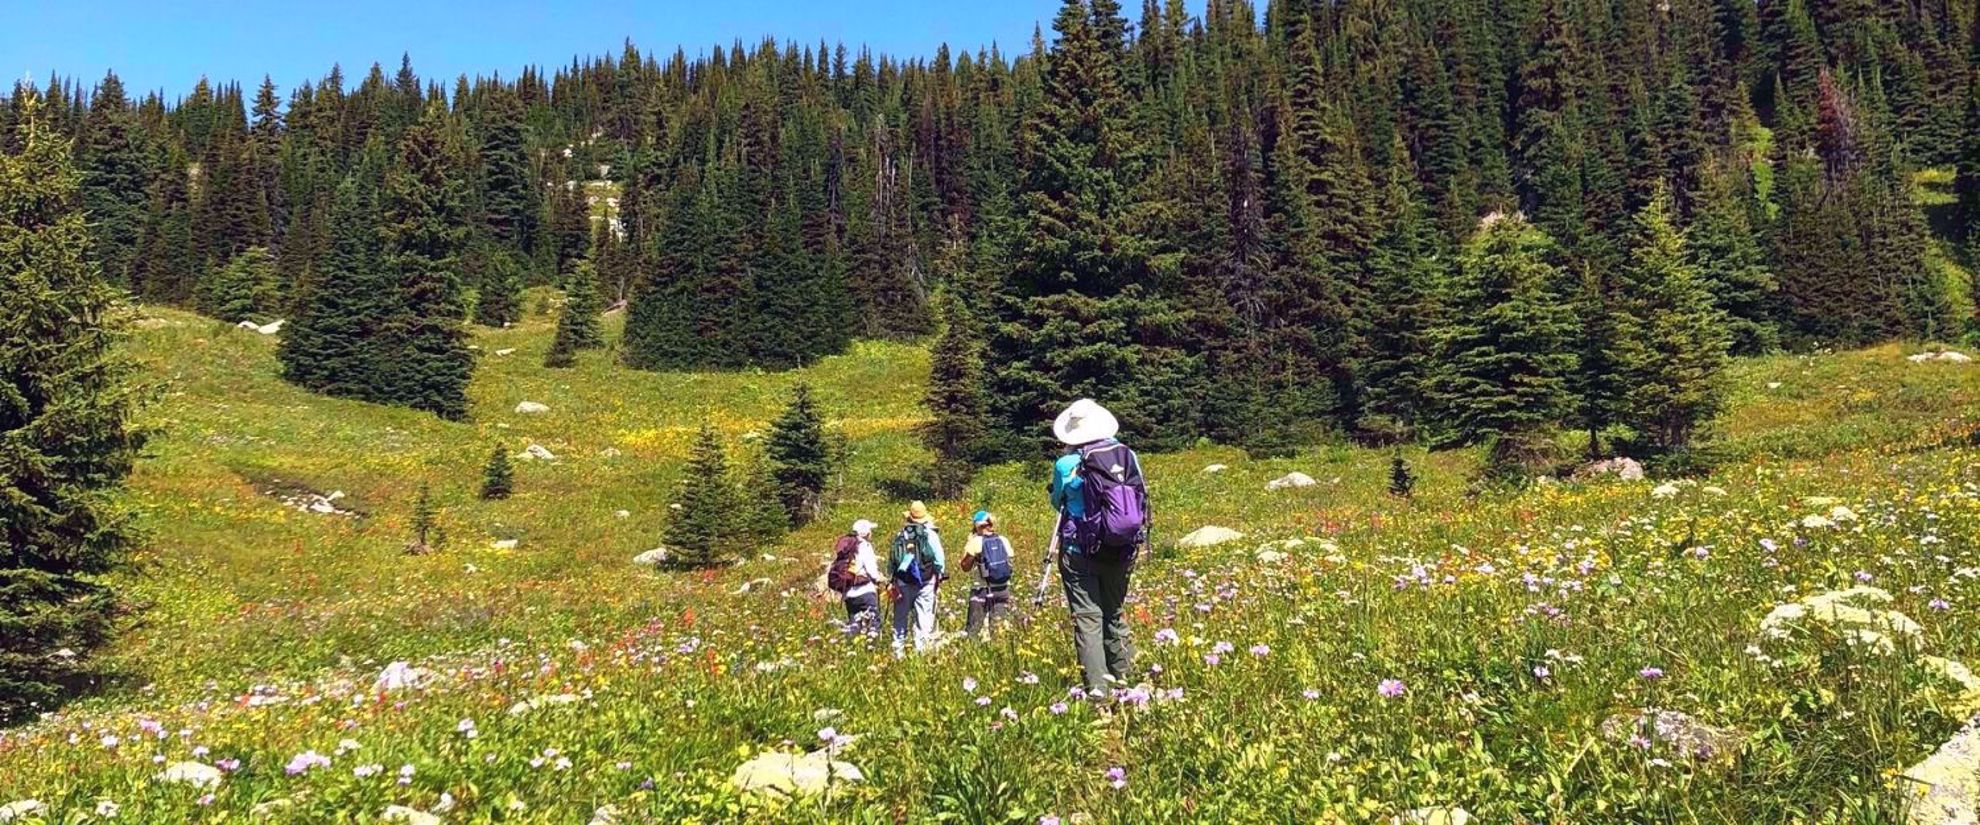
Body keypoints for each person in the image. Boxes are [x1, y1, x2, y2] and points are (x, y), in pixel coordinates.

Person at [1044, 398, 1148, 695]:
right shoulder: (1127, 455)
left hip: (1079, 551)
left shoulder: (1066, 464)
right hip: (1121, 546)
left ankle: (1099, 695)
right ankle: (1126, 686)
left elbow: (1057, 502)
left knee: (1088, 620)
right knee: (1114, 614)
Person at [887, 500, 945, 654]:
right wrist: (938, 576)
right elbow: (939, 560)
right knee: (924, 618)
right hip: (925, 582)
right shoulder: (930, 534)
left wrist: (892, 581)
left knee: (900, 618)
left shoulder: (900, 534)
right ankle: (922, 652)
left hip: (903, 582)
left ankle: (897, 652)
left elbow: (893, 560)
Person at [959, 511, 1015, 639]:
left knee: (973, 629)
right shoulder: (1003, 540)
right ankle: (998, 653)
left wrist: (969, 546)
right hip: (1002, 588)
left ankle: (973, 651)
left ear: (977, 526)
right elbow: (1010, 561)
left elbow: (965, 567)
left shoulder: (976, 542)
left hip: (981, 589)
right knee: (998, 628)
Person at [826, 519, 882, 640]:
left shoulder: (847, 547)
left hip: (849, 594)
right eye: (870, 531)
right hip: (865, 592)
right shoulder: (865, 546)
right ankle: (870, 649)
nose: (871, 533)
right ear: (866, 533)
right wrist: (878, 580)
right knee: (872, 624)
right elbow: (872, 571)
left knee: (854, 624)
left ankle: (851, 645)